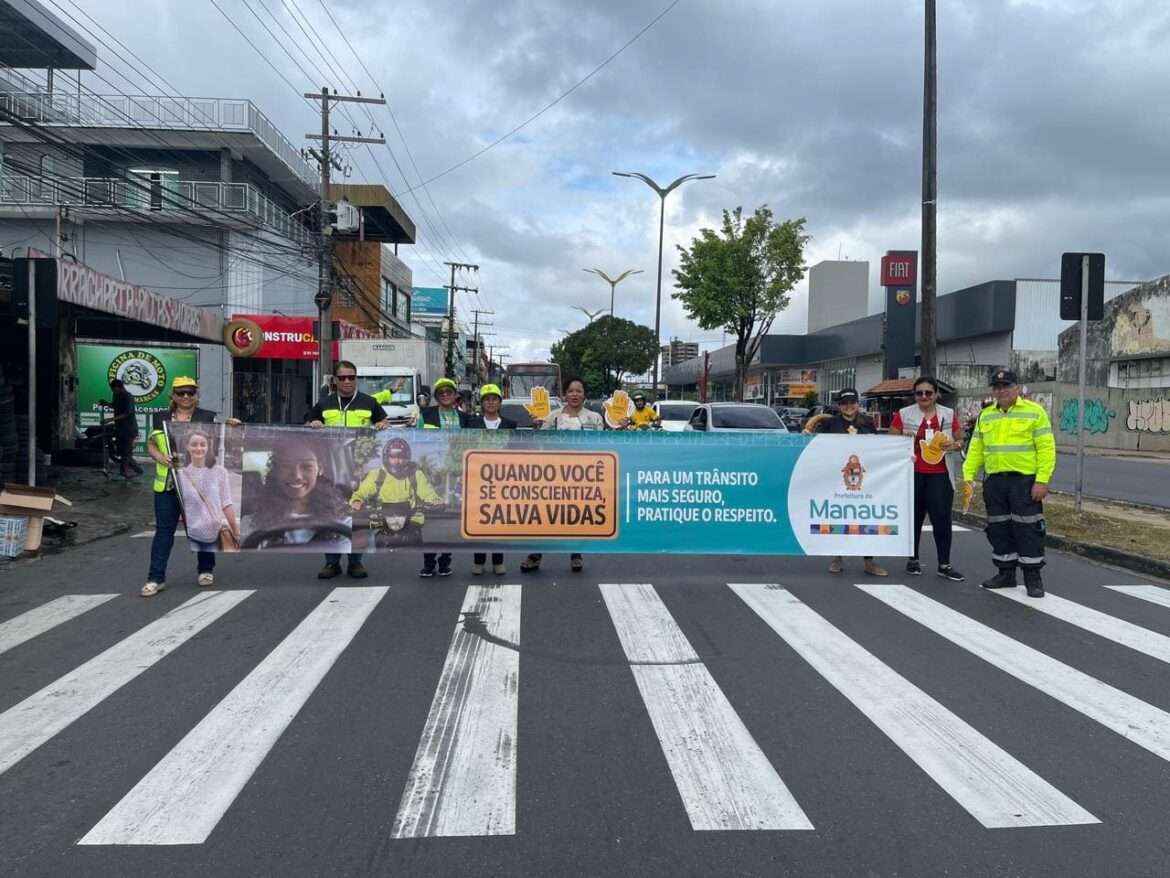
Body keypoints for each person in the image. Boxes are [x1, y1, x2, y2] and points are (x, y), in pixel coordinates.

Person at [962, 369, 1056, 598]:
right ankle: (1006, 573)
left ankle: (1033, 577)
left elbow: (1046, 448)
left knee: (1028, 529)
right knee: (999, 528)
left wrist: (1042, 480)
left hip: (1024, 482)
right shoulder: (986, 415)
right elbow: (976, 449)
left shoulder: (1034, 412)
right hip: (994, 482)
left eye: (1006, 386)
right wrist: (968, 477)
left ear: (1017, 388)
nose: (1001, 390)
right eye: (997, 387)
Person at [306, 360, 390, 580]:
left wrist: (382, 425)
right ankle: (331, 562)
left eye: (351, 377)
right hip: (331, 469)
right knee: (331, 515)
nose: (346, 381)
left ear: (356, 379)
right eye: (342, 377)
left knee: (358, 515)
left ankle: (356, 561)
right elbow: (307, 427)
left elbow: (384, 425)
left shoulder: (369, 402)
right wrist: (313, 424)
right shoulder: (324, 403)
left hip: (358, 469)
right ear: (335, 380)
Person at [141, 377, 218, 598]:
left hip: (198, 484)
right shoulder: (160, 418)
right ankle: (155, 577)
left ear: (197, 395)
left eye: (190, 392)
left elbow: (221, 442)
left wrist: (231, 425)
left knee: (203, 528)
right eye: (181, 392)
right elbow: (151, 444)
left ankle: (205, 569)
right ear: (173, 395)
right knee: (164, 532)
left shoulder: (207, 418)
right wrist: (158, 457)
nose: (186, 397)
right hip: (167, 486)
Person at [522, 377, 603, 574]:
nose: (575, 394)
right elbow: (541, 441)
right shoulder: (553, 416)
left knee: (577, 516)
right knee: (545, 516)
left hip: (582, 476)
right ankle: (535, 555)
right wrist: (535, 426)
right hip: (554, 475)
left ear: (584, 395)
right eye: (571, 391)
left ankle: (576, 554)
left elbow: (601, 444)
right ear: (564, 395)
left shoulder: (595, 418)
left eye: (579, 391)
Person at [808, 388, 889, 577]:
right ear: (839, 406)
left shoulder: (867, 423)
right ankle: (837, 557)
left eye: (852, 402)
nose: (849, 406)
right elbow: (817, 447)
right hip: (838, 479)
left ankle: (869, 561)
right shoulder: (830, 424)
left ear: (857, 404)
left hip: (864, 480)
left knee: (867, 519)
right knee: (840, 518)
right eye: (844, 403)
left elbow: (879, 449)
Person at [890, 376, 965, 581]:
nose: (924, 396)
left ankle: (944, 564)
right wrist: (904, 437)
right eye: (919, 393)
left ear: (936, 394)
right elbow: (890, 440)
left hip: (940, 474)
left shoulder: (948, 414)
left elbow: (960, 439)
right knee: (913, 518)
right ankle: (912, 559)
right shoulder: (904, 414)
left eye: (928, 393)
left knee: (941, 519)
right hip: (913, 472)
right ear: (914, 395)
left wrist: (954, 445)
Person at [413, 377, 478, 577]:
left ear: (455, 395)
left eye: (449, 392)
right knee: (431, 517)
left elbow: (473, 443)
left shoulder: (465, 418)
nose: (445, 396)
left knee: (451, 519)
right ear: (436, 397)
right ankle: (429, 561)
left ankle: (445, 561)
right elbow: (417, 441)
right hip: (433, 474)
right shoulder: (426, 415)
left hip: (457, 475)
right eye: (441, 393)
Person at [240, 436, 352, 550]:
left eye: (307, 466)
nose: (296, 475)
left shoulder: (344, 523)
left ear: (320, 469)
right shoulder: (250, 525)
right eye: (286, 466)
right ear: (276, 470)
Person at [350, 437, 442, 549]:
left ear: (407, 458)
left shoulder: (416, 474)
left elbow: (427, 492)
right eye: (393, 457)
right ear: (386, 458)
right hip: (382, 519)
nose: (397, 461)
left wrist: (436, 501)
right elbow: (362, 492)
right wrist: (356, 501)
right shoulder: (376, 474)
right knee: (367, 535)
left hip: (411, 520)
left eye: (401, 457)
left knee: (416, 541)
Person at [173, 426, 240, 567]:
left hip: (213, 531)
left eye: (203, 444)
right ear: (187, 447)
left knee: (207, 564)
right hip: (191, 531)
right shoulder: (180, 474)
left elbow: (226, 502)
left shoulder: (220, 472)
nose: (199, 448)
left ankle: (206, 570)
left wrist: (235, 529)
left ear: (208, 447)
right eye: (194, 444)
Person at [471, 383, 515, 575]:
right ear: (481, 403)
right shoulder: (470, 424)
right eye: (487, 399)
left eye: (494, 399)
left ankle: (498, 561)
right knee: (479, 521)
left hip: (502, 482)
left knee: (499, 521)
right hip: (477, 480)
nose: (490, 402)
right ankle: (478, 561)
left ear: (499, 402)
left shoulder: (510, 425)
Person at [100, 378, 143, 478]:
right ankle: (137, 469)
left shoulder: (128, 396)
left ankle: (125, 472)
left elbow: (127, 413)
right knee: (123, 452)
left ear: (119, 388)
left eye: (114, 389)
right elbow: (115, 406)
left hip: (129, 428)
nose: (113, 391)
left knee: (125, 452)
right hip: (119, 428)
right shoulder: (116, 395)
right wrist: (106, 403)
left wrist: (109, 419)